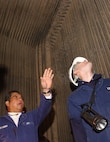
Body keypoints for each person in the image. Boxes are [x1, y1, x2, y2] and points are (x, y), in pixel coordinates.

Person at [0, 68, 54, 142]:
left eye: (21, 98)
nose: (20, 99)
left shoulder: (31, 117)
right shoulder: (1, 121)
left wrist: (46, 90)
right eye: (16, 97)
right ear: (7, 103)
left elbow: (45, 108)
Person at [67, 56, 110, 142]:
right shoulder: (74, 98)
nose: (85, 60)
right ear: (75, 72)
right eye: (80, 62)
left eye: (85, 60)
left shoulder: (108, 83)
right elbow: (78, 129)